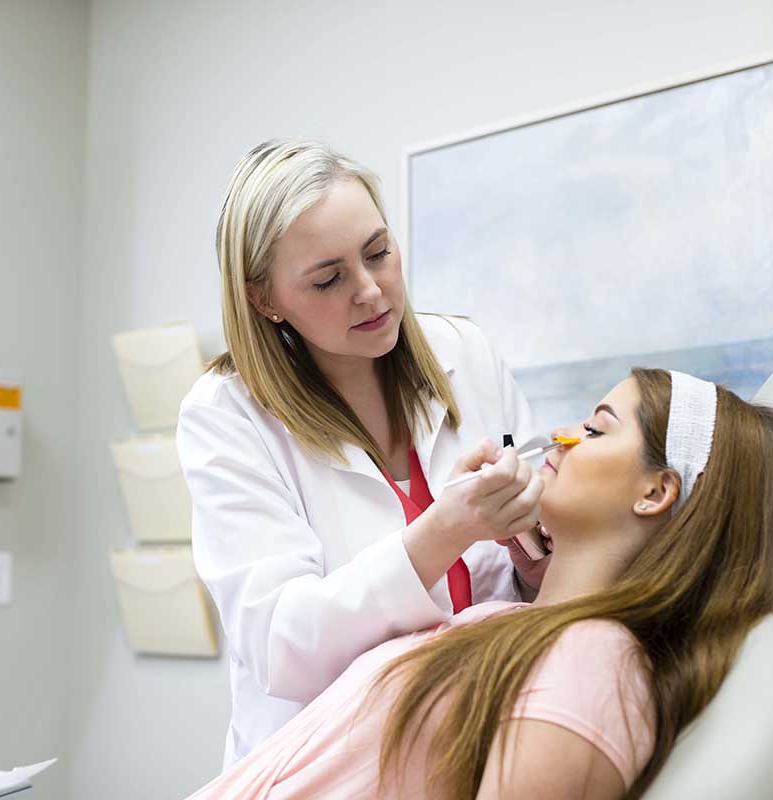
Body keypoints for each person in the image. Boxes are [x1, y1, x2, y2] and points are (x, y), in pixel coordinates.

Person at [184, 368, 773, 799]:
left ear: (656, 492)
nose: (561, 439)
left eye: (596, 429)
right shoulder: (512, 622)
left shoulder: (592, 666)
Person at [176, 139, 549, 767]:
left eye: (379, 253)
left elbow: (540, 562)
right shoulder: (227, 415)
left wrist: (534, 558)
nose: (372, 292)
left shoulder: (466, 351)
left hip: (484, 740)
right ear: (264, 299)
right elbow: (281, 645)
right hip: (337, 765)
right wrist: (445, 531)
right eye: (328, 279)